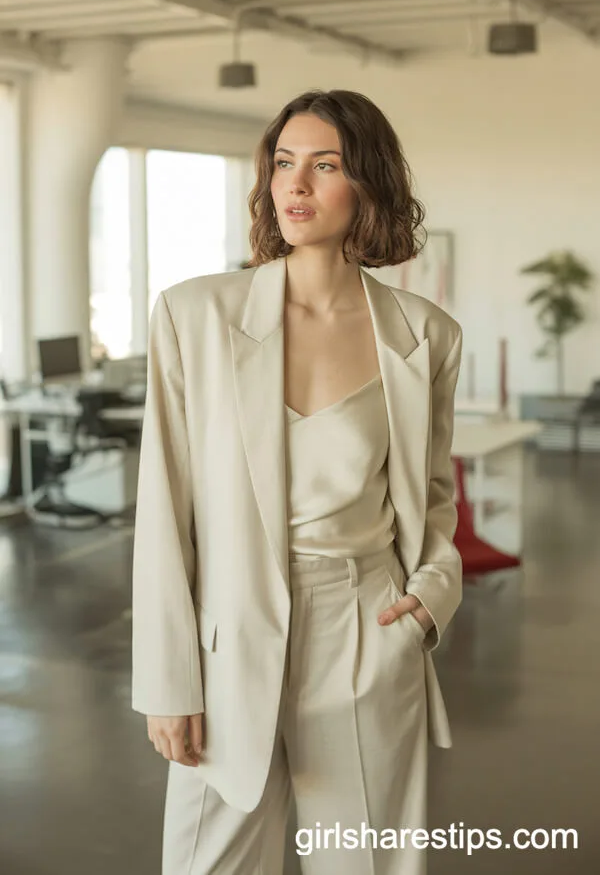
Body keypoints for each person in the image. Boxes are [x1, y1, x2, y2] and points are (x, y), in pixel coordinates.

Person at [131, 89, 463, 875]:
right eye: (284, 163)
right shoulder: (192, 316)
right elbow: (163, 509)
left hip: (366, 633)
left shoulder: (425, 335)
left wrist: (430, 597)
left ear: (369, 184)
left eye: (326, 165)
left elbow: (432, 497)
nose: (296, 185)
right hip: (224, 643)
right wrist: (167, 681)